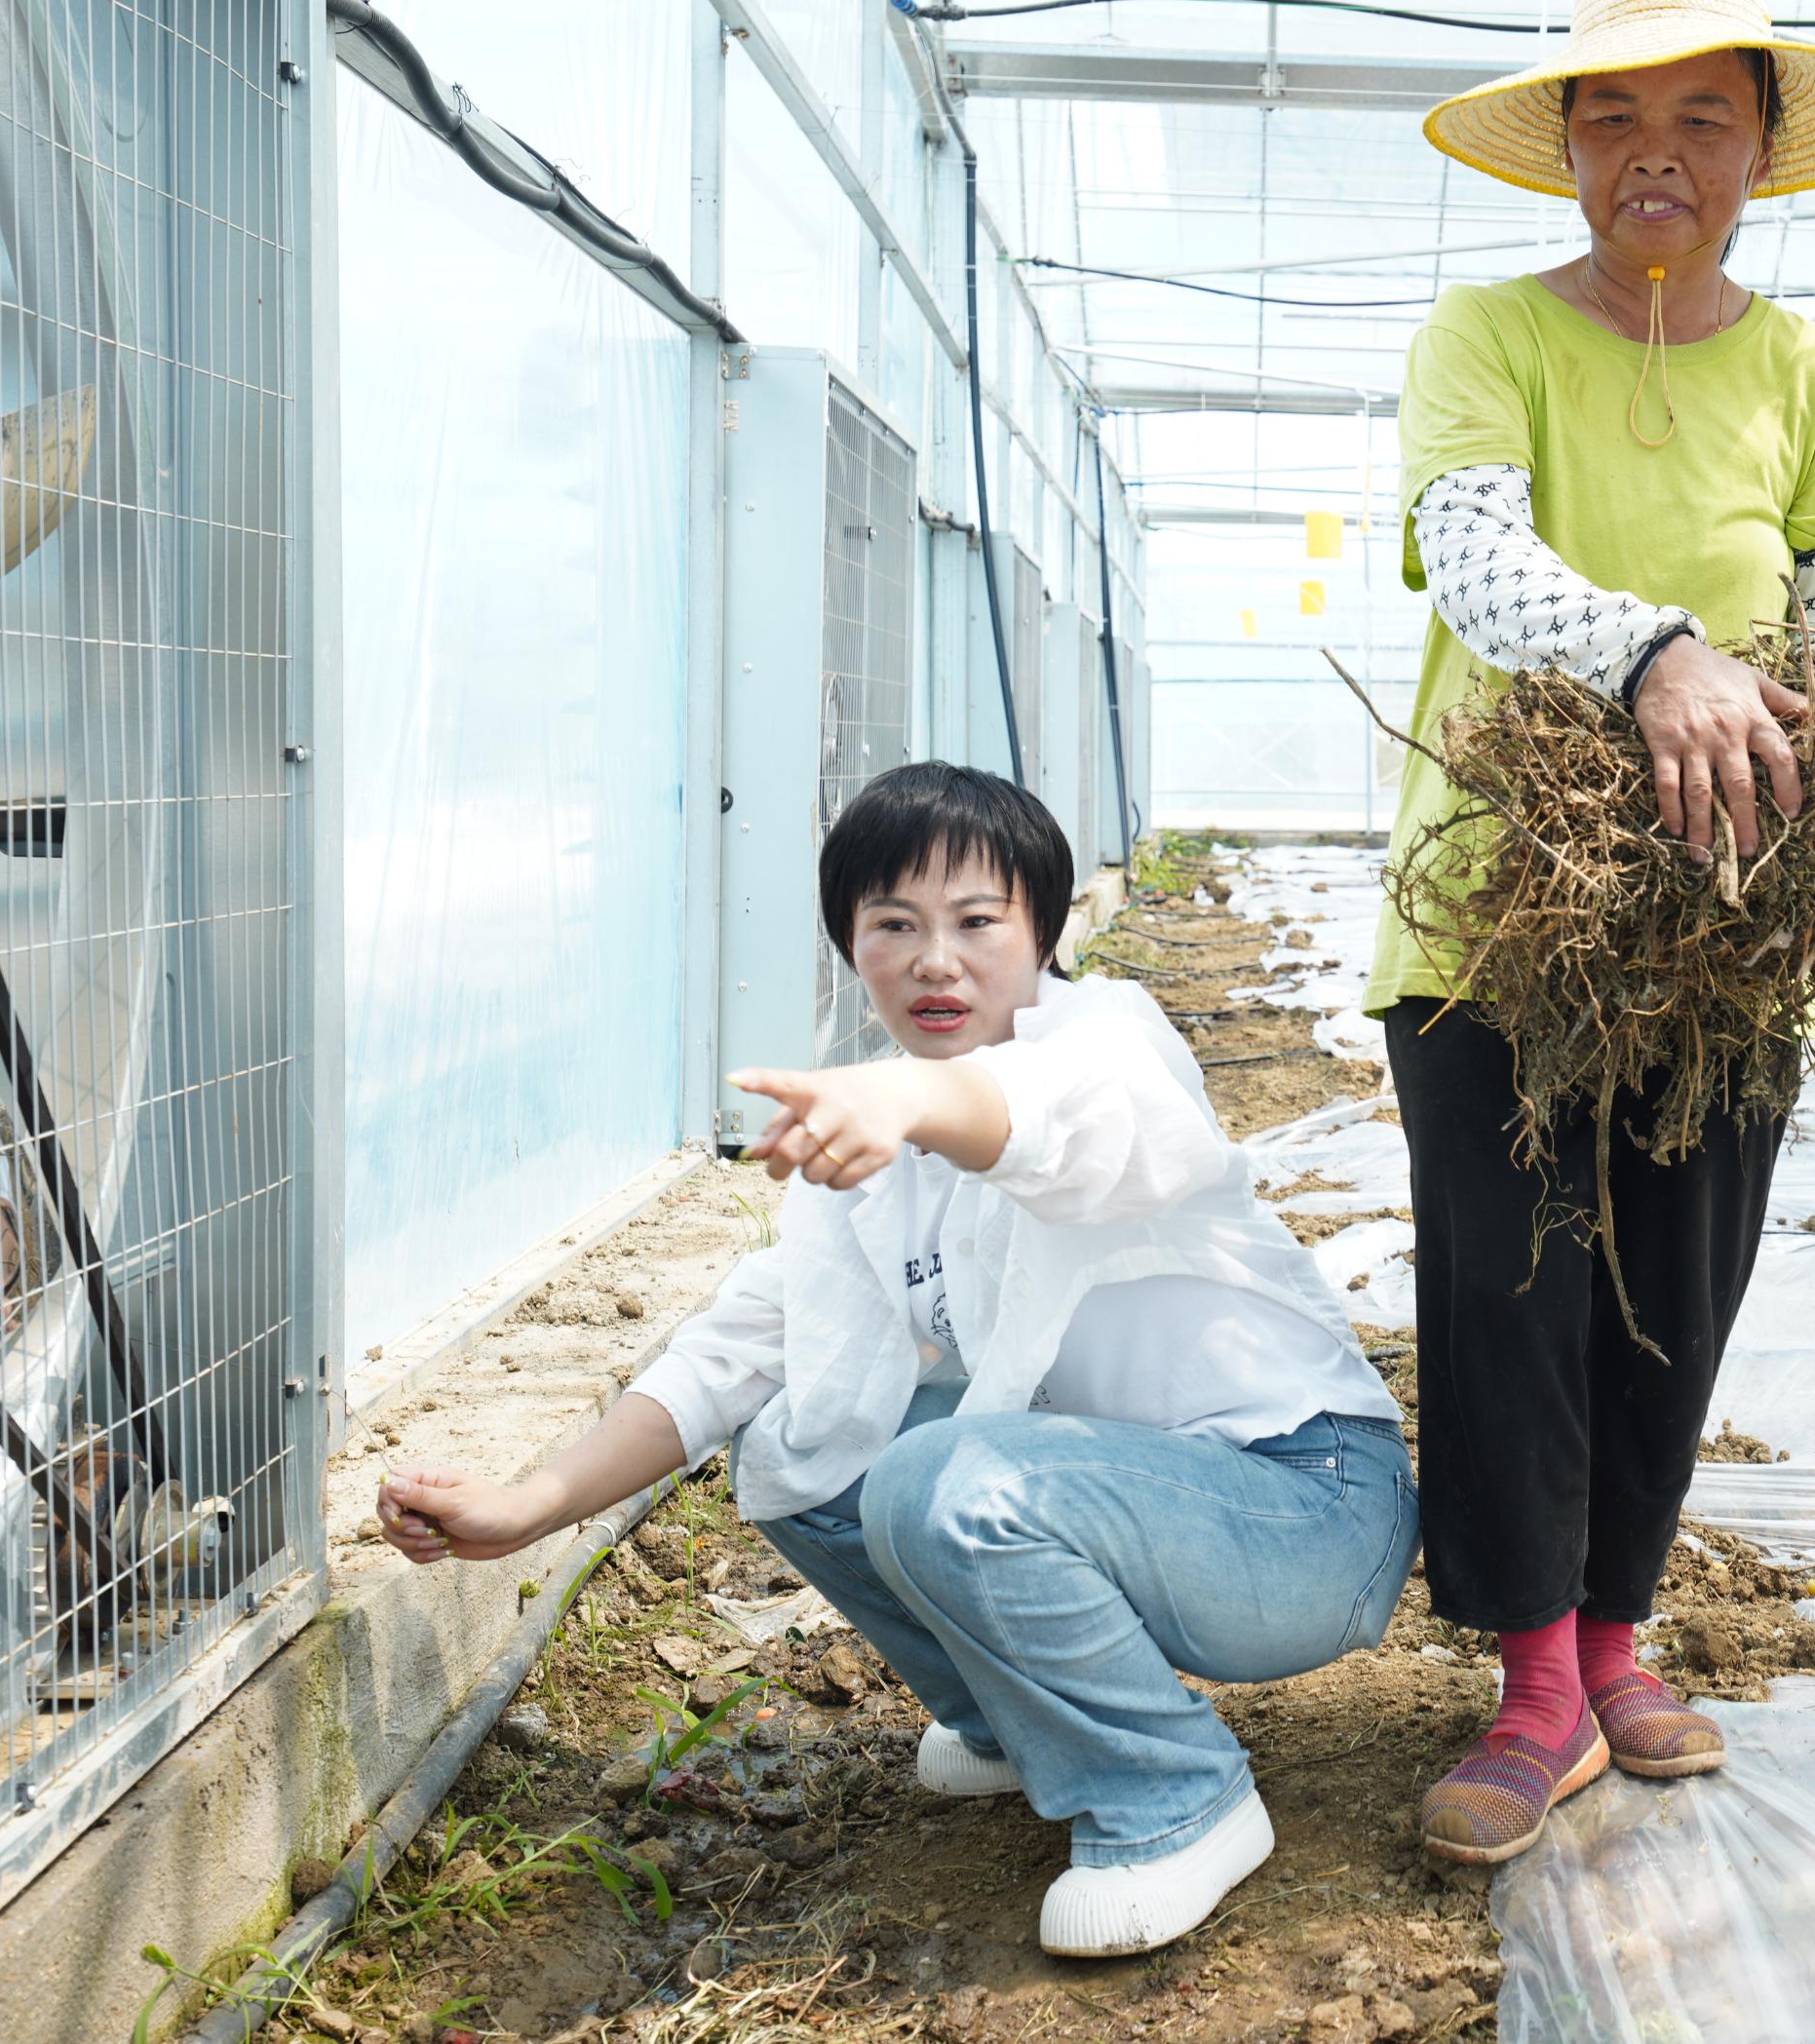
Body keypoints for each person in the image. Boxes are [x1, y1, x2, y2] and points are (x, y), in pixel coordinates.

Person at [375, 763, 1414, 1956]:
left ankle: (1172, 1797)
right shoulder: (873, 1162)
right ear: (848, 944)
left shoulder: (1103, 1041)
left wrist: (909, 1099)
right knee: (805, 1450)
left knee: (945, 1479)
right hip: (1134, 1501)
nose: (936, 958)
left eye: (978, 921)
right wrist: (524, 1508)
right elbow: (735, 1351)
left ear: (1043, 932)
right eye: (893, 924)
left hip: (1304, 1510)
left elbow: (1056, 1122)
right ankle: (1014, 1719)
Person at [1382, 0, 1815, 1863]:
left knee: (1670, 1294)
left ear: (1764, 146)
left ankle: (1619, 1635)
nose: (1656, 159)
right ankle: (1529, 1679)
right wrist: (1660, 654)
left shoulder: (1814, 372)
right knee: (1508, 1289)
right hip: (1487, 919)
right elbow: (1473, 557)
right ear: (1569, 151)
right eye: (1614, 122)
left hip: (1723, 929)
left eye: (1703, 117)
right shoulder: (1487, 338)